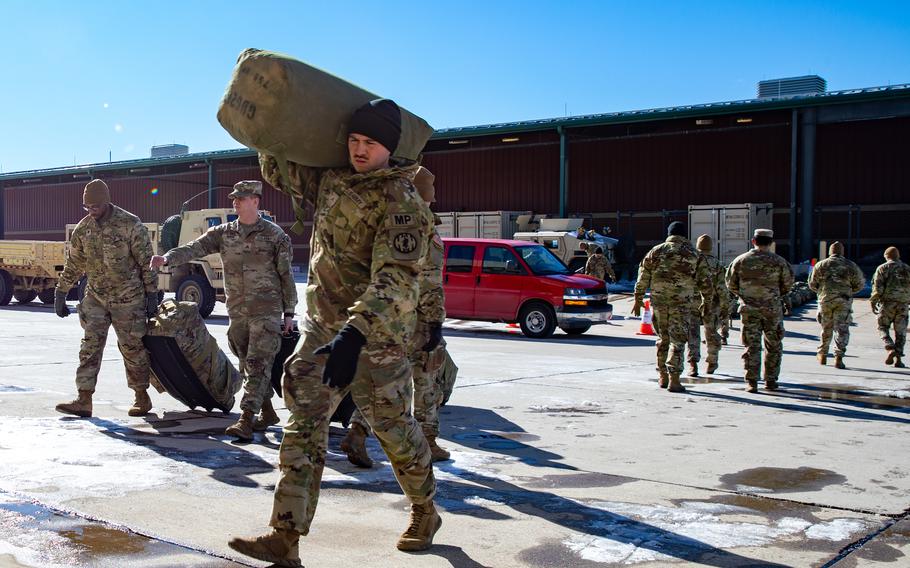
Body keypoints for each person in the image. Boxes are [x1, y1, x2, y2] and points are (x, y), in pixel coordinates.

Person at [228, 99, 439, 566]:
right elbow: (280, 169)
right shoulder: (332, 179)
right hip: (323, 331)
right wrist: (267, 124)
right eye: (355, 140)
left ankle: (425, 509)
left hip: (375, 340)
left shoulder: (402, 201)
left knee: (392, 429)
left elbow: (396, 278)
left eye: (371, 143)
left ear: (390, 148)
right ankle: (286, 537)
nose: (360, 150)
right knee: (302, 427)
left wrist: (356, 334)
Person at [149, 180, 297, 440]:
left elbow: (286, 277)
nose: (235, 202)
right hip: (238, 311)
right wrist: (168, 258)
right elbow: (195, 248)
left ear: (255, 201)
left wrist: (288, 313)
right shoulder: (224, 233)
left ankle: (247, 419)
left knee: (258, 363)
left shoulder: (275, 236)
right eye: (234, 198)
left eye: (241, 198)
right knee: (246, 363)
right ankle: (268, 411)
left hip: (267, 311)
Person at [340, 166, 449, 467]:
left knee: (384, 383)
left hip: (384, 320)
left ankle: (357, 431)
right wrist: (435, 323)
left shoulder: (383, 224)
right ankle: (427, 441)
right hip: (415, 321)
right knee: (426, 379)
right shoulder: (423, 228)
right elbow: (430, 283)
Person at [54, 179, 159, 418]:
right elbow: (75, 263)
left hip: (128, 299)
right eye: (87, 206)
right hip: (97, 298)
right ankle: (84, 399)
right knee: (89, 347)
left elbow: (147, 262)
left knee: (133, 349)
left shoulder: (130, 224)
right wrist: (61, 292)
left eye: (96, 205)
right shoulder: (84, 228)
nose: (92, 210)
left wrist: (151, 295)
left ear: (107, 201)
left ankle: (141, 397)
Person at [632, 221, 711, 393]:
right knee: (678, 340)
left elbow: (643, 275)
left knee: (663, 338)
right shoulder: (694, 254)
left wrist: (638, 298)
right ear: (684, 235)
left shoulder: (656, 251)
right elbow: (705, 281)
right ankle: (674, 379)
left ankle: (662, 376)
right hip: (682, 304)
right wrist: (706, 301)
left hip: (659, 302)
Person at [725, 229, 794, 393]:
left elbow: (730, 283)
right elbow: (788, 284)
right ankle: (770, 380)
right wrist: (773, 295)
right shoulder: (779, 262)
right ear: (770, 243)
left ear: (753, 241)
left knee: (751, 346)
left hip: (749, 310)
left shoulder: (741, 261)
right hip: (772, 310)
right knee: (774, 345)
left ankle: (752, 382)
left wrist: (745, 295)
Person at [808, 241, 865, 369]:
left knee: (826, 327)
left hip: (826, 300)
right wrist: (849, 291)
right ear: (842, 252)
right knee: (842, 329)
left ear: (830, 252)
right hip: (843, 300)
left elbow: (812, 283)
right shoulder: (850, 265)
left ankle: (822, 353)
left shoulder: (821, 265)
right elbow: (860, 284)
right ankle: (838, 356)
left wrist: (822, 291)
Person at [686, 235, 729, 375]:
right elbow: (722, 288)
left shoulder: (692, 262)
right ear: (711, 247)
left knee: (692, 333)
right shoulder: (717, 264)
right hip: (712, 304)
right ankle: (712, 361)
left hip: (693, 302)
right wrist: (725, 307)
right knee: (711, 333)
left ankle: (693, 364)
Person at [870, 247, 910, 368]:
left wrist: (873, 301)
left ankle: (890, 348)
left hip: (887, 303)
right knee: (901, 332)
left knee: (882, 327)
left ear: (886, 256)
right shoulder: (907, 268)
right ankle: (898, 359)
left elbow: (878, 287)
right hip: (903, 304)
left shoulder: (883, 268)